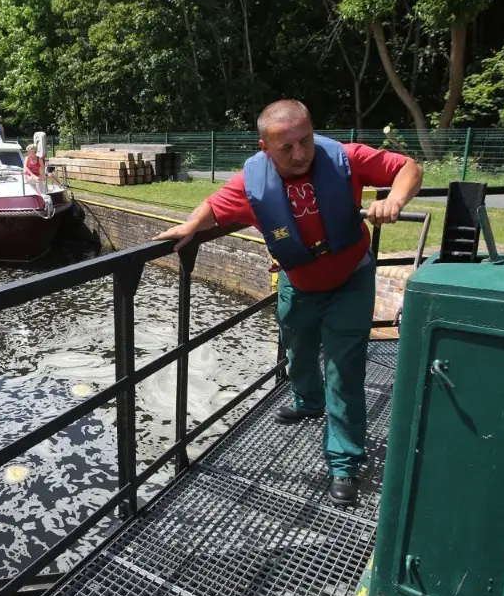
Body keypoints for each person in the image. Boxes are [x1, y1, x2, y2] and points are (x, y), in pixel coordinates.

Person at [154, 100, 422, 506]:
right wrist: (192, 225)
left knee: (344, 370)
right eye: (286, 148)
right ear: (264, 147)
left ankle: (344, 463)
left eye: (305, 141)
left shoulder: (345, 159)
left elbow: (408, 168)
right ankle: (308, 402)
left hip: (350, 280)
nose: (299, 154)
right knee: (297, 354)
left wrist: (396, 200)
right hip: (298, 285)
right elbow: (213, 207)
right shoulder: (252, 182)